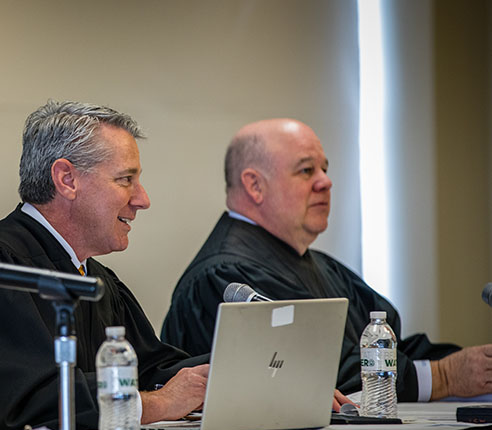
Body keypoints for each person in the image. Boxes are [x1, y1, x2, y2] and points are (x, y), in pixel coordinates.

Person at [0, 100, 209, 430]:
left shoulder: (94, 278)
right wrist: (156, 404)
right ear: (67, 179)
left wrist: (231, 368)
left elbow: (152, 368)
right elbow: (23, 400)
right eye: (125, 179)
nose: (142, 199)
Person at [161, 118, 492, 402]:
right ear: (255, 185)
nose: (325, 181)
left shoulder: (319, 264)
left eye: (324, 169)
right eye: (306, 171)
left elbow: (390, 344)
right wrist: (444, 376)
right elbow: (311, 371)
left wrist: (474, 365)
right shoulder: (227, 275)